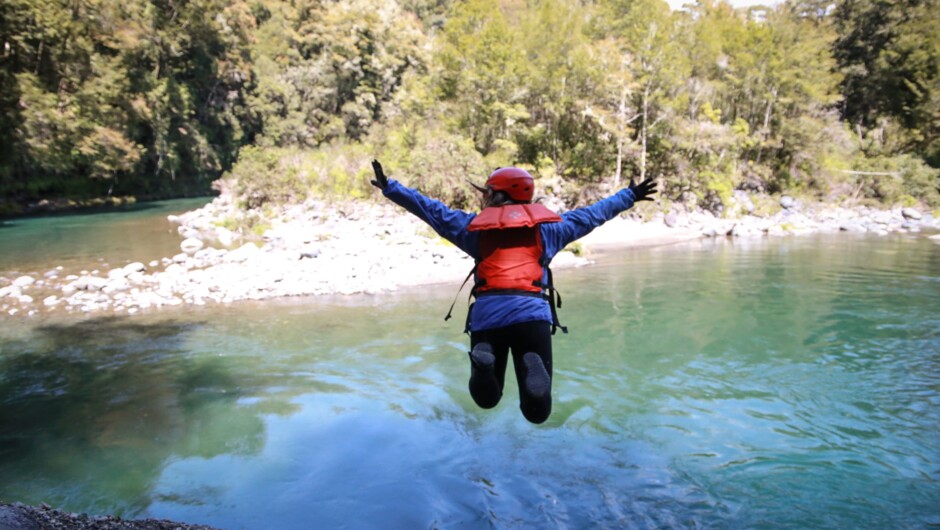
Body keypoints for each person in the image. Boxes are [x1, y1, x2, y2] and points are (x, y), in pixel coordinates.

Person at [370, 160, 656, 424]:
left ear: (495, 195)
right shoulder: (549, 231)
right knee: (537, 412)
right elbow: (591, 216)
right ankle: (531, 362)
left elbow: (431, 211)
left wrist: (390, 188)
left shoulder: (472, 229)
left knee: (486, 399)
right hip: (532, 317)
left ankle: (485, 362)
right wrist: (628, 196)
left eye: (487, 191)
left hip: (487, 318)